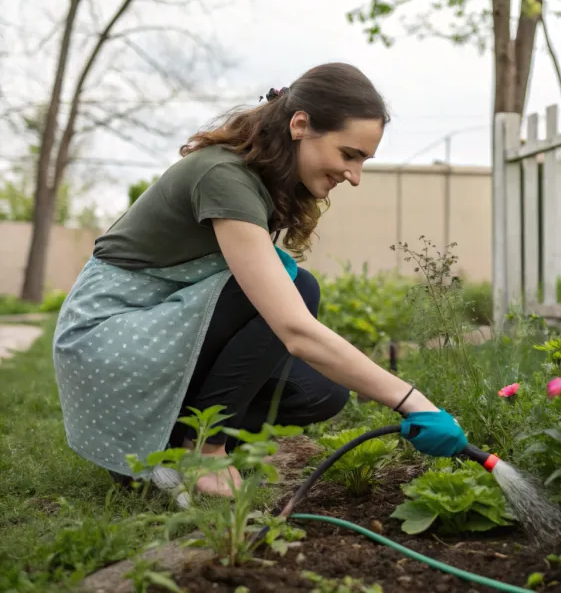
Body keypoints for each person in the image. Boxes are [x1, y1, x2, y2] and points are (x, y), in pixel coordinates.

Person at [52, 62, 468, 499]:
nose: (355, 176)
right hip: (106, 335)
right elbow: (292, 328)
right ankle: (203, 449)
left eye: (363, 160)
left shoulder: (258, 181)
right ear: (300, 124)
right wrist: (413, 402)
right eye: (349, 154)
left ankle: (165, 448)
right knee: (297, 288)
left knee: (319, 394)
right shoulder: (222, 175)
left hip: (156, 329)